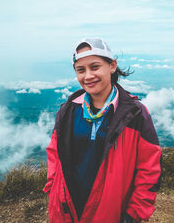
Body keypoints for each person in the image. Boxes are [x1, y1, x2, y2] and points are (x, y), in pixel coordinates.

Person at [43, 37, 162, 223]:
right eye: (80, 70)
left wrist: (134, 214)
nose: (88, 76)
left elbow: (149, 168)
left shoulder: (135, 115)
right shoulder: (68, 111)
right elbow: (54, 155)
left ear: (112, 66)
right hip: (67, 210)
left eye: (95, 67)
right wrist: (54, 191)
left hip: (112, 212)